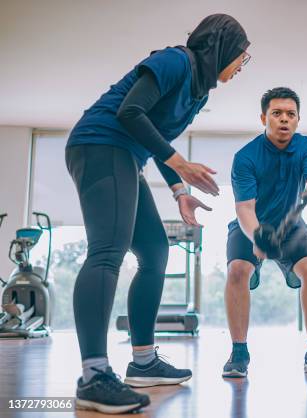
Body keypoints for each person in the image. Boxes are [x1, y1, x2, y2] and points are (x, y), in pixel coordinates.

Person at [65, 14, 250, 414]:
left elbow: (158, 136)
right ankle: (94, 376)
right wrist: (181, 165)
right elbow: (130, 113)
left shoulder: (198, 91)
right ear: (222, 47)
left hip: (126, 156)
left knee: (154, 252)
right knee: (107, 252)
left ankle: (144, 361)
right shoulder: (175, 61)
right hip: (99, 144)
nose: (241, 66)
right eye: (242, 57)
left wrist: (179, 190)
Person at [223, 87, 307, 378]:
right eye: (277, 113)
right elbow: (245, 208)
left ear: (298, 120)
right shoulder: (246, 156)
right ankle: (239, 353)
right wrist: (258, 237)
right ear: (264, 117)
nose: (284, 119)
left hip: (291, 228)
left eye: (290, 114)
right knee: (238, 270)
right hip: (252, 226)